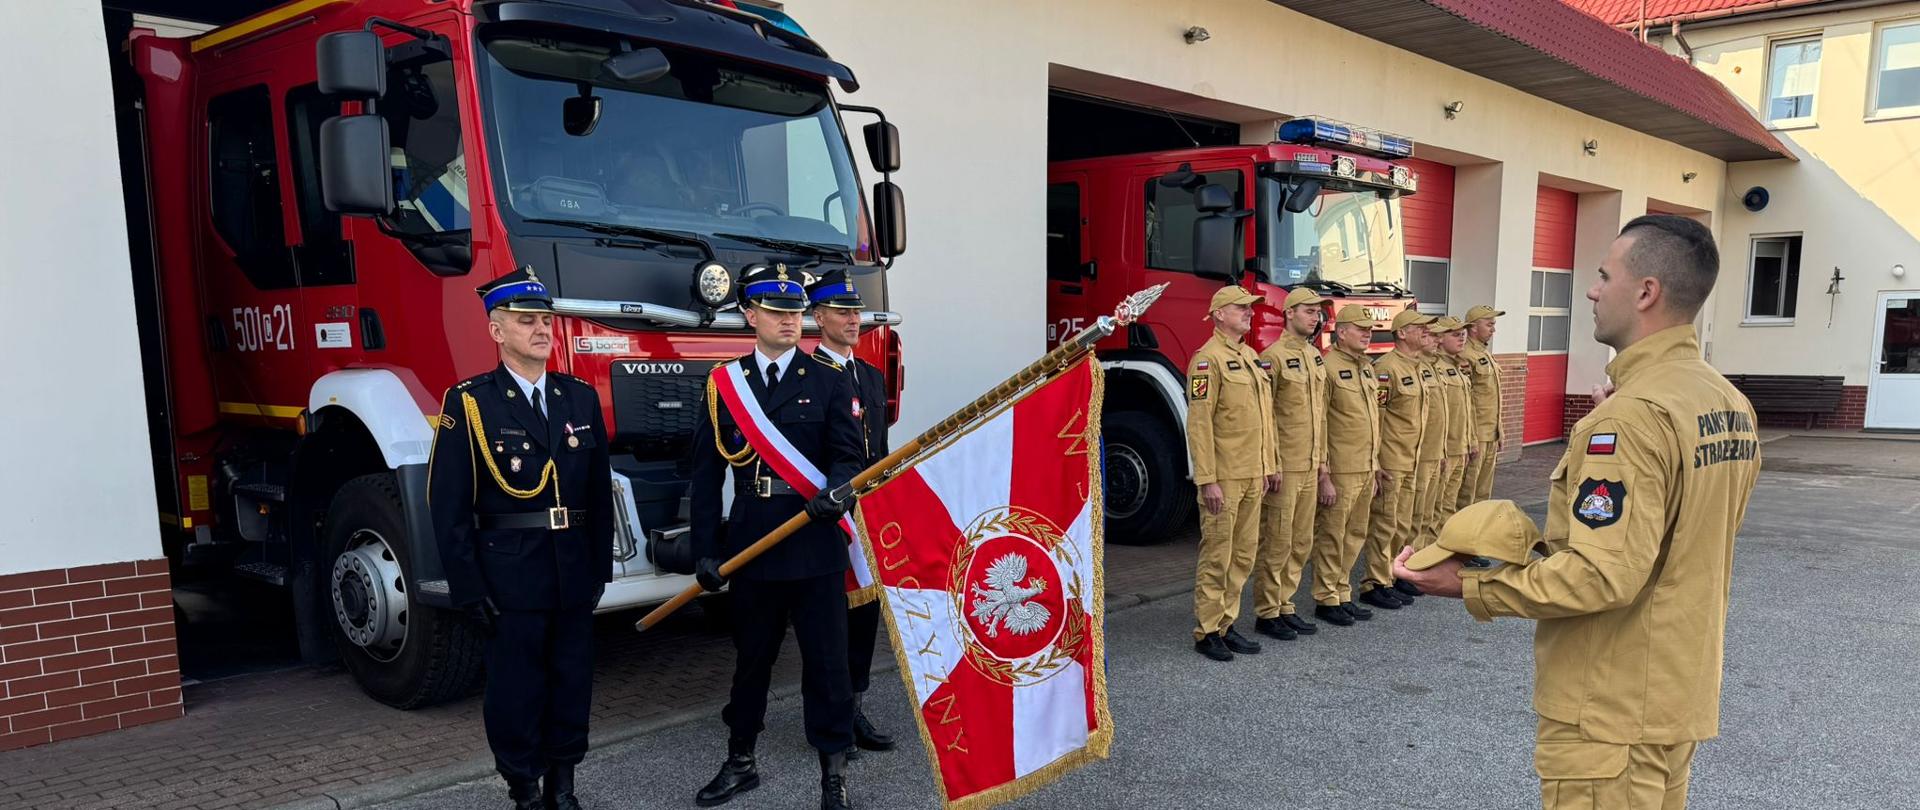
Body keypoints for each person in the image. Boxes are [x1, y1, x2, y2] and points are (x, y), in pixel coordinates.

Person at [1395, 215, 1761, 809]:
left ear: (1646, 292)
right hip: (1673, 692)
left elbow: (1601, 574)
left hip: (1608, 710)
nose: (1592, 290)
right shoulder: (1724, 399)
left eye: (1603, 275)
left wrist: (1469, 585)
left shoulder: (1630, 418)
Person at [429, 267, 612, 810]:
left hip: (573, 571)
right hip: (510, 574)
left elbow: (598, 494)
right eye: (526, 320)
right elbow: (449, 505)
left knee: (572, 681)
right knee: (516, 690)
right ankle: (525, 788)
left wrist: (599, 570)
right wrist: (467, 587)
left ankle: (564, 783)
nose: (540, 330)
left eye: (546, 320)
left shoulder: (578, 398)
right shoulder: (471, 403)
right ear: (496, 331)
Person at [687, 265, 866, 810]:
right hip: (753, 547)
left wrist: (836, 491)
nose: (789, 321)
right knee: (752, 662)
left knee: (828, 665)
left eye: (794, 312)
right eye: (776, 311)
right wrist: (705, 552)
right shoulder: (724, 385)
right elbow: (705, 476)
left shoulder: (829, 381)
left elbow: (847, 458)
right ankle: (740, 760)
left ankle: (833, 774)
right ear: (751, 316)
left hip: (814, 545)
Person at [805, 268, 895, 756]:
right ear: (818, 318)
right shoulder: (808, 377)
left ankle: (854, 709)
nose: (854, 319)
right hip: (827, 518)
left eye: (857, 311)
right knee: (828, 624)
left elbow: (878, 448)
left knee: (864, 619)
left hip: (868, 518)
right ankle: (828, 717)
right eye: (842, 312)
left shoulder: (871, 376)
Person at [1185, 285, 1280, 662]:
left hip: (1253, 474)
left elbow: (1264, 421)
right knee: (1217, 556)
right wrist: (1207, 479)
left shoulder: (1251, 356)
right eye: (1241, 308)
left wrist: (1269, 464)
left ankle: (1227, 622)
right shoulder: (1207, 360)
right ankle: (1207, 629)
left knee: (1242, 555)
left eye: (1250, 308)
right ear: (1219, 313)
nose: (1249, 313)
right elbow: (1200, 424)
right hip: (1224, 477)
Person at [1251, 287, 1333, 640]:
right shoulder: (1273, 357)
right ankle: (1267, 612)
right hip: (1286, 466)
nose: (1315, 318)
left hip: (1312, 465)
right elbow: (1265, 419)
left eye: (1317, 313)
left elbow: (1322, 417)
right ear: (1289, 314)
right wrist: (1271, 464)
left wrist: (1324, 467)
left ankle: (1286, 605)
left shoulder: (1315, 358)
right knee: (1278, 541)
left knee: (1301, 541)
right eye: (1308, 311)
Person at [1308, 305, 1385, 623]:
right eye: (1361, 328)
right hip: (1341, 467)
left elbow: (1372, 420)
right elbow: (1320, 422)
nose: (1368, 333)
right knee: (1332, 534)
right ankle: (1326, 598)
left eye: (1369, 329)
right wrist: (1324, 472)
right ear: (1341, 332)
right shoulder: (1326, 367)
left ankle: (1342, 592)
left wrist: (1376, 463)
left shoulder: (1366, 367)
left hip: (1365, 466)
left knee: (1355, 533)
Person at [1358, 309, 1434, 610]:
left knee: (1404, 523)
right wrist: (1377, 459)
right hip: (1392, 458)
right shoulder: (1387, 368)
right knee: (1385, 524)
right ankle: (1375, 581)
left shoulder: (1416, 366)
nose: (1426, 333)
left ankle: (1394, 573)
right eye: (1420, 328)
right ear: (1402, 333)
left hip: (1413, 457)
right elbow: (1377, 418)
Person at [1428, 317, 1477, 538]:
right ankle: (1423, 562)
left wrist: (1470, 442)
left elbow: (1466, 409)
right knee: (1432, 511)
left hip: (1459, 447)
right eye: (1455, 334)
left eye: (1463, 334)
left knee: (1448, 508)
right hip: (1443, 449)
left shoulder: (1458, 366)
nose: (1462, 338)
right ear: (1439, 339)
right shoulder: (1433, 368)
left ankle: (1442, 555)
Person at [1456, 305, 1506, 509]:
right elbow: (1465, 401)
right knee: (1466, 494)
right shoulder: (1465, 355)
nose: (1493, 329)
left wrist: (1499, 431)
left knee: (1482, 494)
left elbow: (1492, 397)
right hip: (1476, 435)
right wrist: (1470, 438)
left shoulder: (1485, 354)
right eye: (1489, 324)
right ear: (1473, 328)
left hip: (1490, 434)